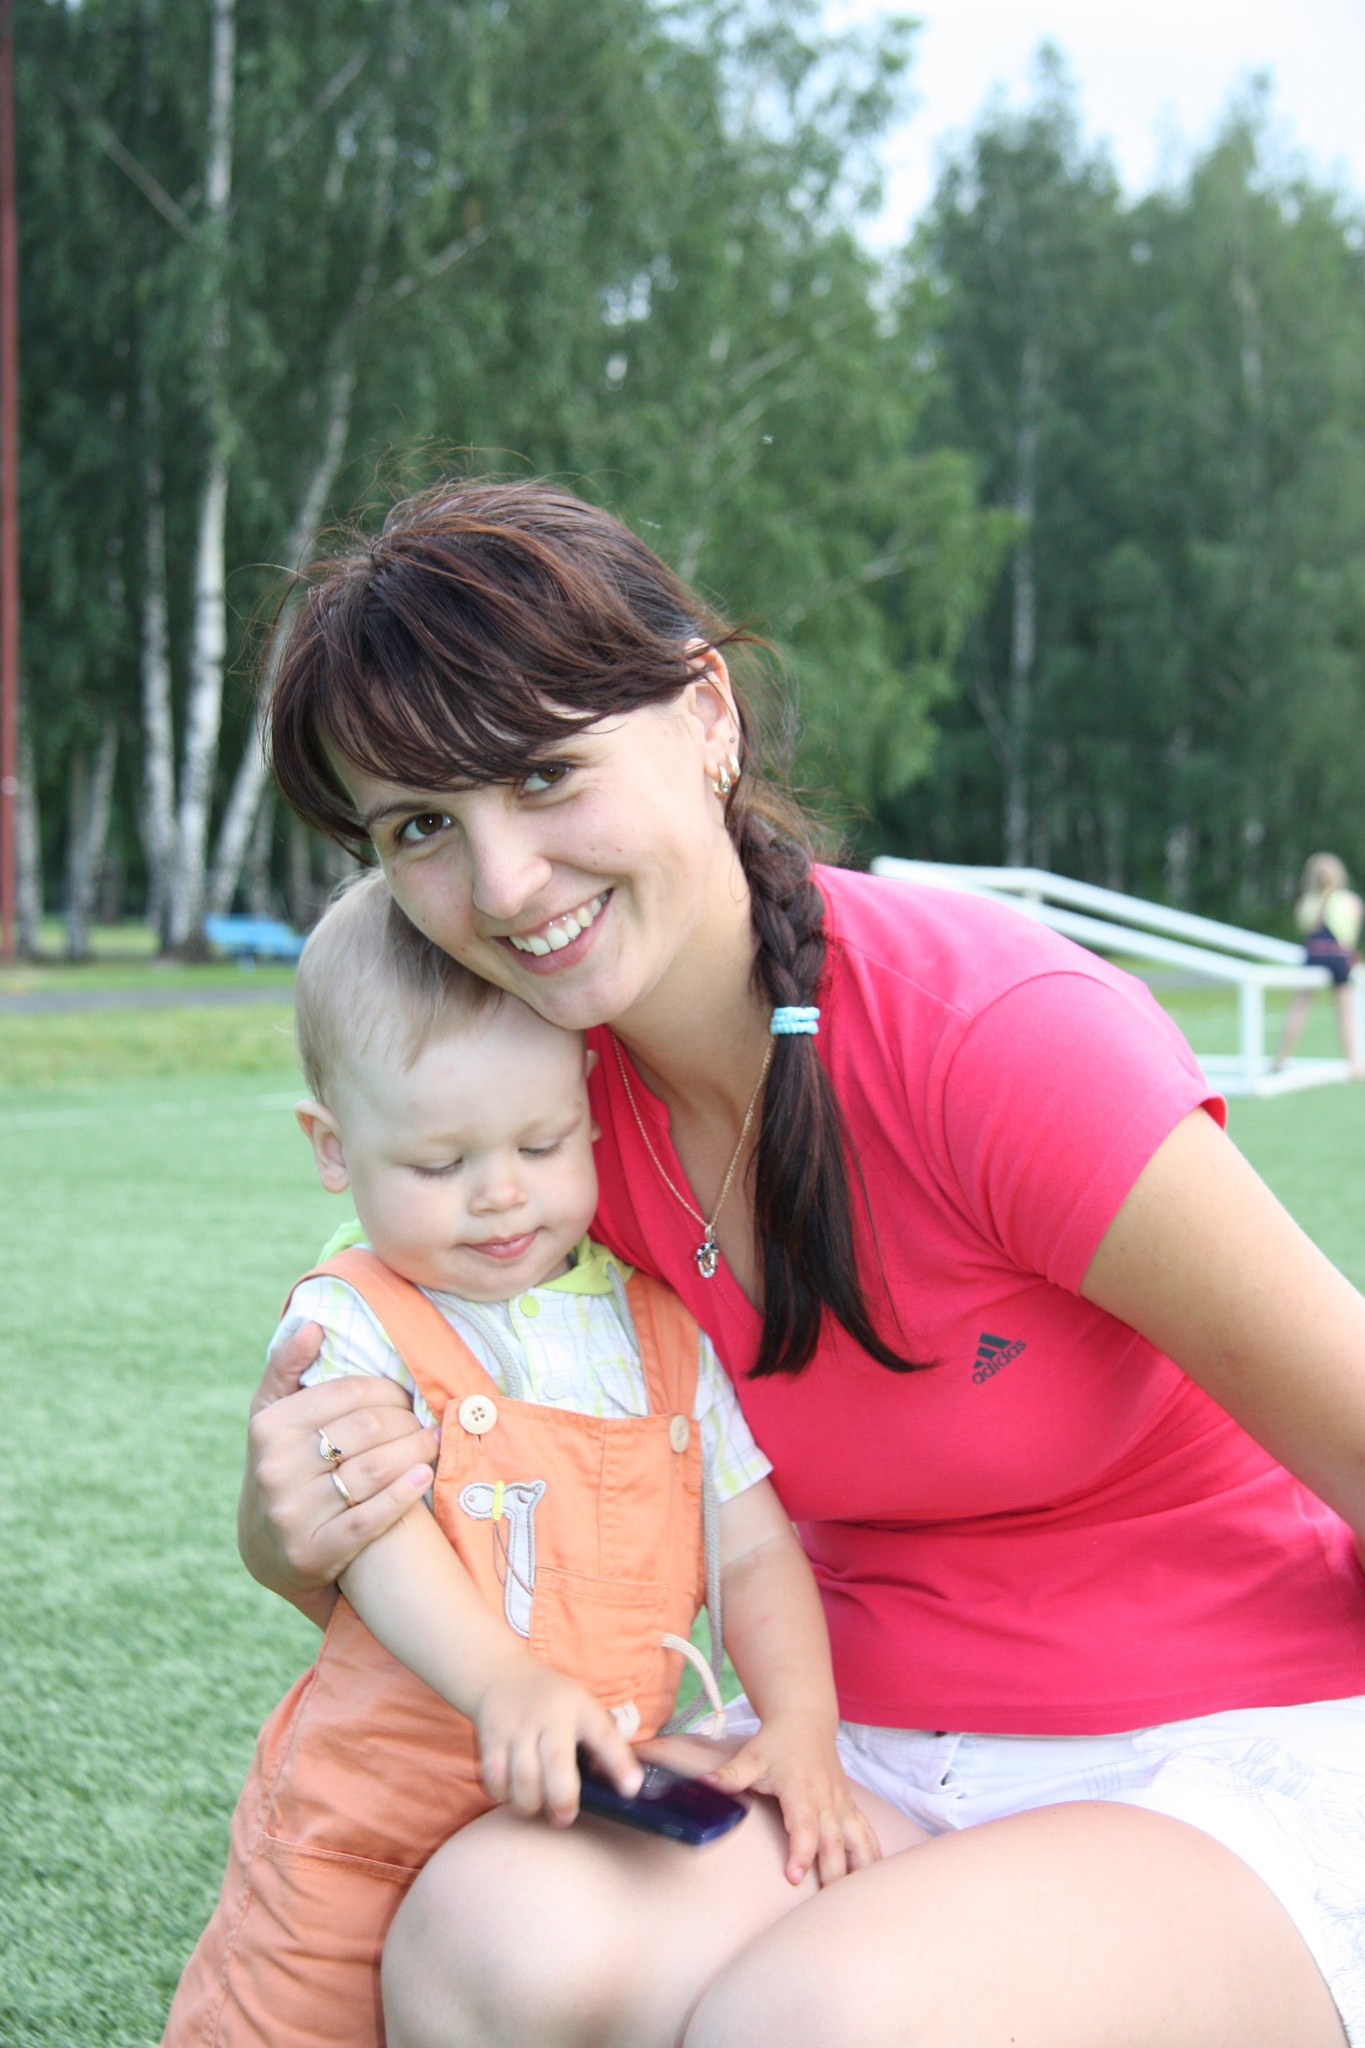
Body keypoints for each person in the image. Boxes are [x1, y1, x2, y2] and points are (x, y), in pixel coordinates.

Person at [238, 481, 1365, 2048]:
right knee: (485, 1945)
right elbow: (446, 1491)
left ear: (706, 716)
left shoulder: (997, 1040)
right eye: (421, 827)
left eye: (545, 774)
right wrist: (286, 1528)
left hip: (1220, 1744)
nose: (502, 887)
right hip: (846, 1740)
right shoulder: (534, 1133)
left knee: (809, 2026)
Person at [163, 869, 878, 2048]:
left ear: (588, 1111)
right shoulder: (352, 1318)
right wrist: (504, 1682)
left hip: (584, 1813)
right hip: (365, 1821)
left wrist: (801, 1720)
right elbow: (373, 1528)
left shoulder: (660, 1329)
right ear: (333, 1146)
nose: (501, 1195)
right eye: (439, 1165)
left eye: (540, 1143)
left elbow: (753, 1547)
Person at [1272, 852, 1365, 1078]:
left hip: (1313, 956)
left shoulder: (1307, 901)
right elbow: (1351, 934)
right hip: (1339, 957)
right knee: (1345, 1011)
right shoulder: (1349, 900)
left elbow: (1304, 927)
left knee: (1299, 1007)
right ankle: (1353, 1063)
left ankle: (1281, 1059)